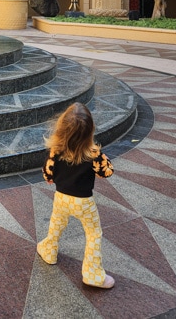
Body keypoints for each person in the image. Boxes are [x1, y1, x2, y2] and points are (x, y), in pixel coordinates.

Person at [37, 102, 115, 289]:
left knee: (56, 225)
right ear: (90, 131)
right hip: (84, 202)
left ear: (60, 128)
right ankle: (92, 274)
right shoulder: (94, 154)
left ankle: (49, 250)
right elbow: (107, 172)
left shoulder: (55, 151)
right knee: (94, 233)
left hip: (61, 198)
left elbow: (47, 176)